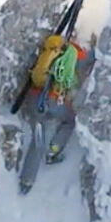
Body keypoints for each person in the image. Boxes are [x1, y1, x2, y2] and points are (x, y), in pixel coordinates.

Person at [18, 34, 97, 194]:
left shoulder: (52, 52)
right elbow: (93, 56)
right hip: (54, 101)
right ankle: (53, 150)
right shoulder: (76, 53)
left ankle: (27, 180)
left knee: (37, 141)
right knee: (69, 121)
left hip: (35, 98)